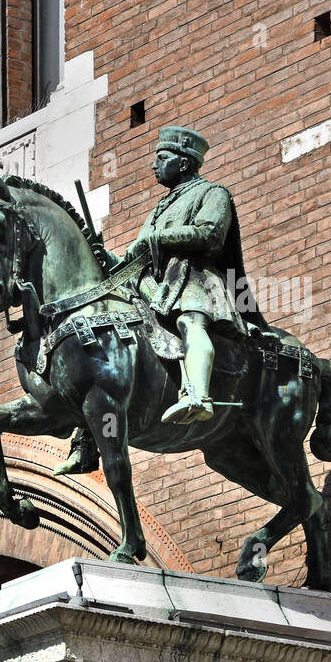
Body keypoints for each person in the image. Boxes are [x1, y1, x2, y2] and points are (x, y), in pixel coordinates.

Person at [54, 126, 262, 473]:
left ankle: (197, 395)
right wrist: (103, 255)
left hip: (194, 280)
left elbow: (210, 234)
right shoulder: (162, 206)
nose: (154, 165)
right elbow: (135, 258)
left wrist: (158, 238)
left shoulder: (213, 193)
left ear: (184, 163)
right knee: (112, 346)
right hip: (155, 287)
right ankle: (86, 441)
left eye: (161, 158)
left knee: (191, 324)